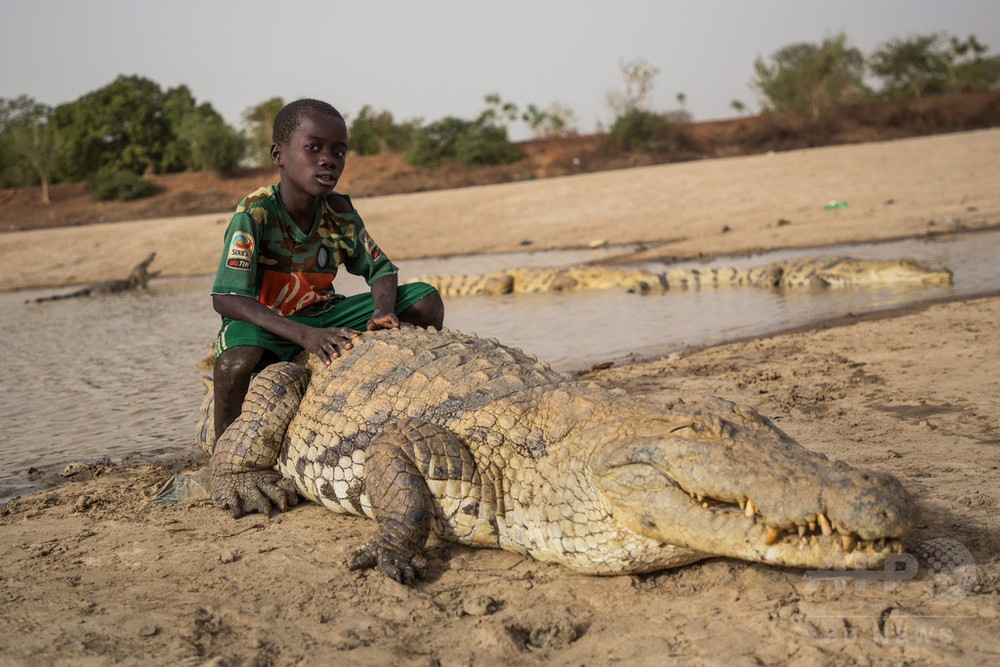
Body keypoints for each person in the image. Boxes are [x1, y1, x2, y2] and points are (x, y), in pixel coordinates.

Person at [210, 98, 444, 443]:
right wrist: (304, 336)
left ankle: (397, 400)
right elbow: (227, 298)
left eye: (338, 152)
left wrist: (384, 310)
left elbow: (380, 268)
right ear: (279, 155)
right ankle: (224, 448)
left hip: (323, 313)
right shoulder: (255, 212)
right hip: (267, 323)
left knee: (425, 299)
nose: (328, 160)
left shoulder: (339, 210)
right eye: (314, 148)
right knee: (237, 360)